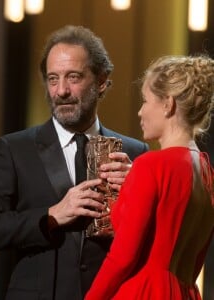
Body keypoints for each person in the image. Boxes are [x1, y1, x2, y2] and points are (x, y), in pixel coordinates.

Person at [0, 25, 148, 300]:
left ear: (101, 81)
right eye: (52, 79)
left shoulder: (135, 152)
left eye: (73, 77)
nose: (60, 91)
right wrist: (50, 216)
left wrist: (138, 189)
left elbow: (154, 240)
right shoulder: (14, 149)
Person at [85, 55, 214, 300]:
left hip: (143, 291)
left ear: (168, 104)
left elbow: (122, 259)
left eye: (145, 101)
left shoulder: (150, 165)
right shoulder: (207, 171)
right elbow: (196, 258)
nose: (140, 111)